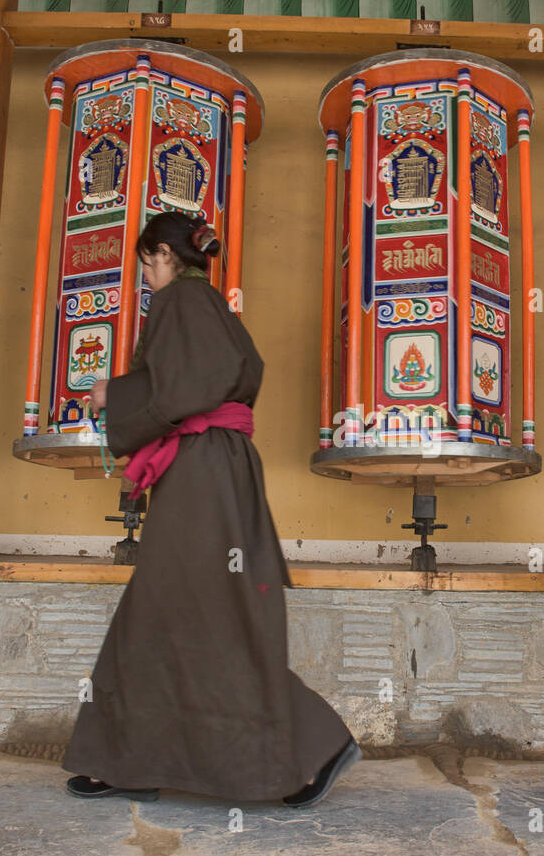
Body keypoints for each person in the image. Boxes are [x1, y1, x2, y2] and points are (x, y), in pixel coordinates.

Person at [63, 210, 361, 808]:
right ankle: (136, 760)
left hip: (202, 470)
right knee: (186, 615)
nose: (146, 276)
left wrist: (111, 393)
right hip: (216, 468)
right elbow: (222, 375)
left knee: (186, 615)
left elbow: (185, 389)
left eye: (147, 264)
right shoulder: (214, 305)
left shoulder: (180, 302)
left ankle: (312, 747)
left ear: (165, 257)